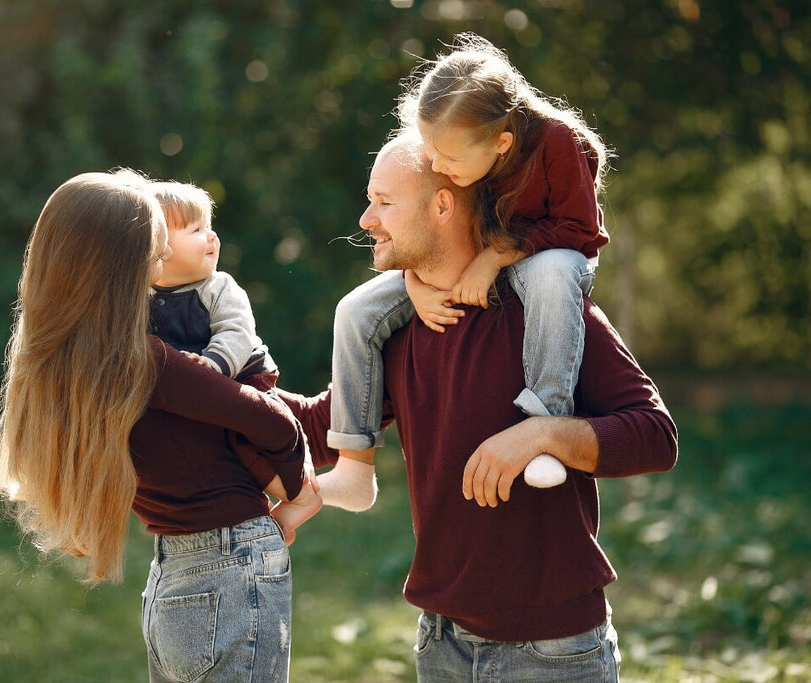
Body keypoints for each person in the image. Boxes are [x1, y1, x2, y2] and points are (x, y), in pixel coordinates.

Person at [280, 131, 677, 680]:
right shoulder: (398, 330)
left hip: (552, 650)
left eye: (384, 202)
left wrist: (540, 435)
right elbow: (324, 425)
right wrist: (207, 380)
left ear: (442, 205)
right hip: (440, 641)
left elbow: (655, 437)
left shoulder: (549, 315)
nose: (368, 219)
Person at [0, 170, 316, 682]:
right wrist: (297, 483)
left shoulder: (69, 366)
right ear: (123, 265)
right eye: (156, 253)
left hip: (174, 582)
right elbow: (271, 419)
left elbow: (287, 413)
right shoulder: (144, 360)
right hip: (228, 571)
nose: (163, 265)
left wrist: (383, 382)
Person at [323, 33, 612, 509]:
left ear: (501, 143)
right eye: (431, 152)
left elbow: (581, 230)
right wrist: (414, 281)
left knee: (553, 272)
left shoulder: (559, 143)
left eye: (446, 158)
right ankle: (353, 466)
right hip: (477, 257)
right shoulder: (460, 148)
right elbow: (437, 235)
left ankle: (543, 421)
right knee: (355, 310)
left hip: (551, 255)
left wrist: (495, 257)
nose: (436, 164)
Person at [146, 178, 322, 540]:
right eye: (196, 230)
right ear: (157, 245)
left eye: (209, 228)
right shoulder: (142, 296)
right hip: (200, 389)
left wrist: (214, 364)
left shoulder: (218, 286)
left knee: (247, 439)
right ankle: (280, 498)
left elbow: (236, 332)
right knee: (219, 446)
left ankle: (301, 495)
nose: (212, 237)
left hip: (243, 373)